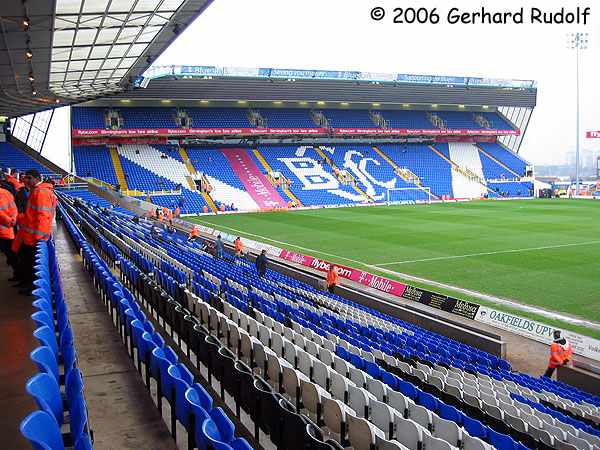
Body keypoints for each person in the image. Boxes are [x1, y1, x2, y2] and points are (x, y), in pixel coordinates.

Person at [13, 169, 57, 295]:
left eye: (29, 178)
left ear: (37, 179)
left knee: (29, 264)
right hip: (29, 236)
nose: (25, 180)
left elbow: (43, 217)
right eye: (26, 178)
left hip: (33, 238)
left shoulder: (41, 193)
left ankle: (30, 287)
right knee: (25, 261)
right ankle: (25, 283)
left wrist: (39, 237)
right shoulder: (37, 191)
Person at [0, 175, 18, 278]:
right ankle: (18, 275)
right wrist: (13, 220)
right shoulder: (7, 192)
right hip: (9, 229)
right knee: (12, 254)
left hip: (4, 229)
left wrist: (9, 221)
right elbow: (14, 208)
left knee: (11, 254)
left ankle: (18, 274)